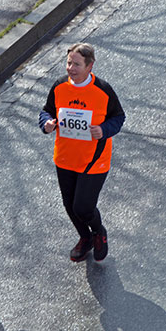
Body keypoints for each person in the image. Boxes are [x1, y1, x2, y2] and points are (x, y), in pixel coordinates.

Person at [39, 43, 125, 263]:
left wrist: (103, 130)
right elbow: (47, 111)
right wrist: (46, 124)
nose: (71, 68)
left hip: (93, 160)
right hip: (65, 158)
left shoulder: (103, 90)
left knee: (83, 207)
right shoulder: (59, 86)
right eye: (69, 63)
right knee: (70, 206)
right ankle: (85, 238)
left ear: (90, 66)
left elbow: (118, 117)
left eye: (76, 64)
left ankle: (98, 232)